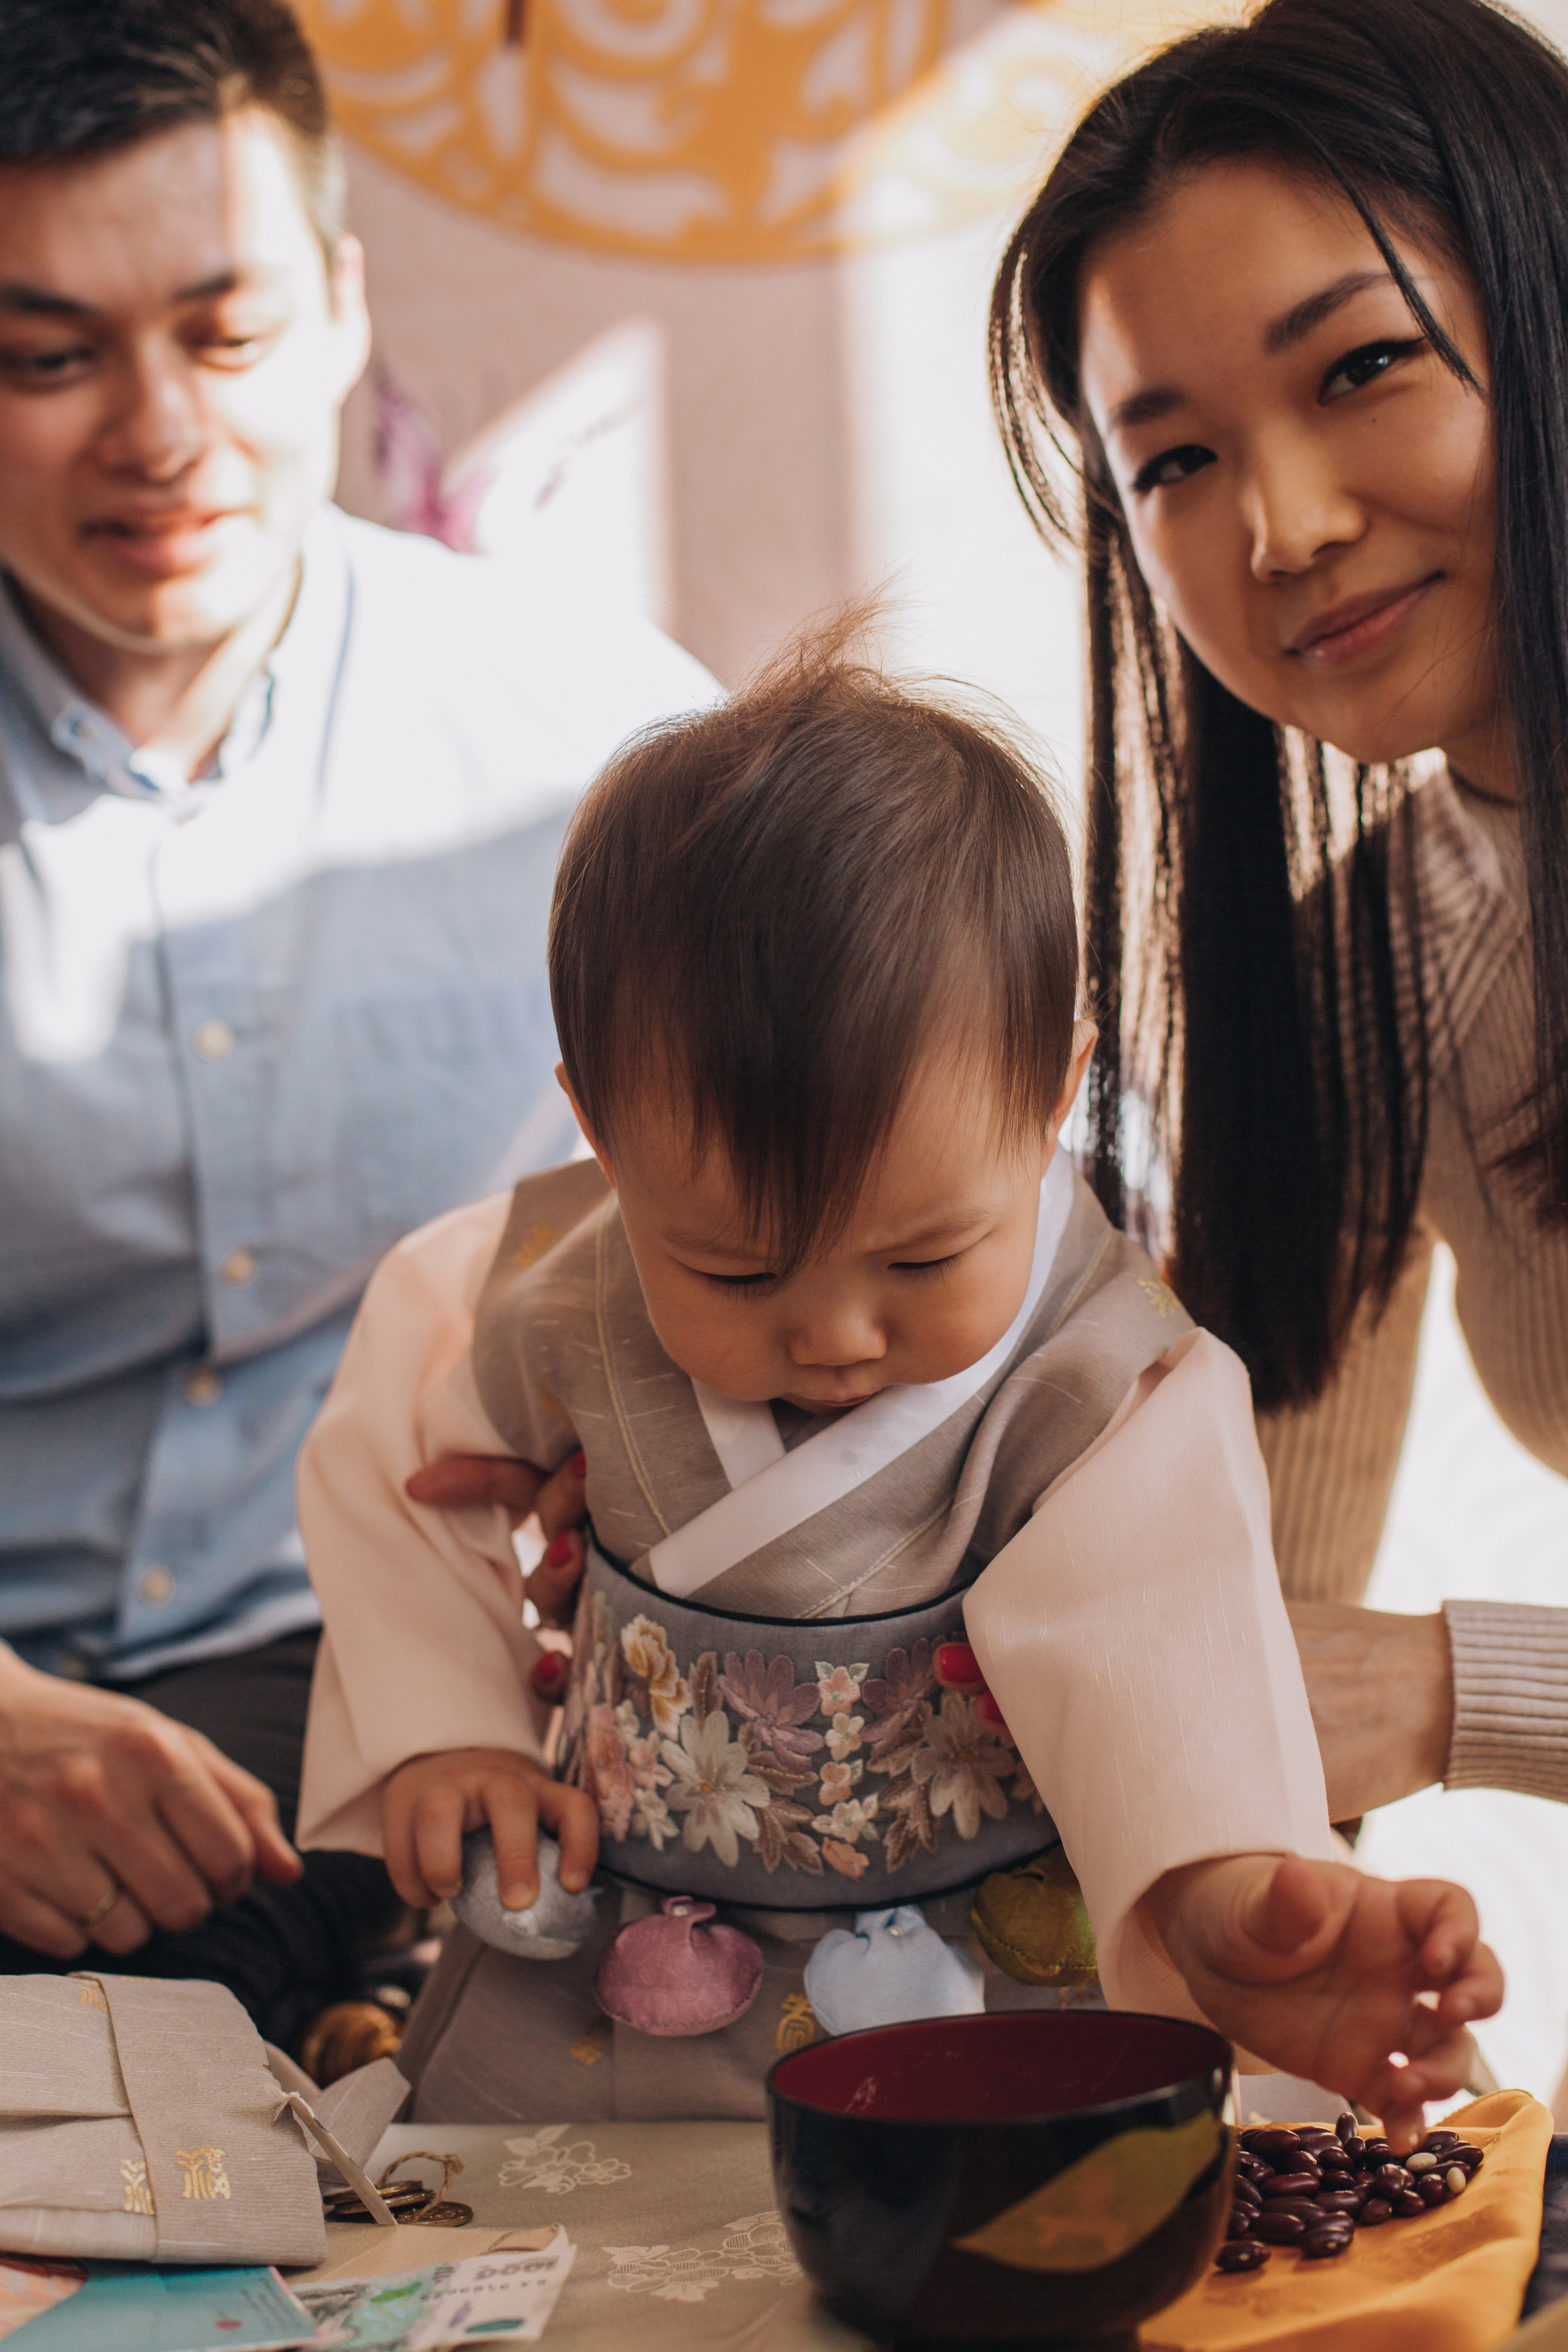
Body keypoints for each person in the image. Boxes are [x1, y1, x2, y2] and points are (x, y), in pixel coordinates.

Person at [295, 630, 1498, 2137]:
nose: (836, 1336)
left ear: (1052, 1100)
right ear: (599, 1136)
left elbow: (1165, 1651)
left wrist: (1228, 1897)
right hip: (629, 1944)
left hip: (989, 1958)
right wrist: (452, 1725)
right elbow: (385, 1475)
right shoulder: (546, 1285)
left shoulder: (1102, 1376)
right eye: (735, 1271)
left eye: (924, 1258)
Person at [0, 0, 710, 2051]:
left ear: (339, 309)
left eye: (223, 335)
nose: (156, 433)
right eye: (49, 356)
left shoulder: (585, 736)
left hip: (369, 1682)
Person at [984, 0, 1568, 1826]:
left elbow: (1368, 1683)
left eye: (1358, 368)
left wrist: (1474, 1686)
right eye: (1173, 461)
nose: (1284, 525)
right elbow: (1259, 1619)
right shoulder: (1370, 966)